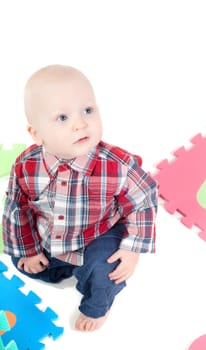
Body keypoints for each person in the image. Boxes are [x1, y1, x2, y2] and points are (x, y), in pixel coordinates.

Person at [2, 64, 158, 331]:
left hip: (100, 231)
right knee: (23, 263)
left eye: (88, 110)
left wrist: (132, 248)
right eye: (62, 118)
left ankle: (98, 306)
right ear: (36, 134)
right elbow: (16, 208)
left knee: (106, 270)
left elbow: (144, 198)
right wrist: (28, 249)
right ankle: (62, 267)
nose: (80, 124)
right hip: (52, 234)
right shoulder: (26, 166)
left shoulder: (117, 165)